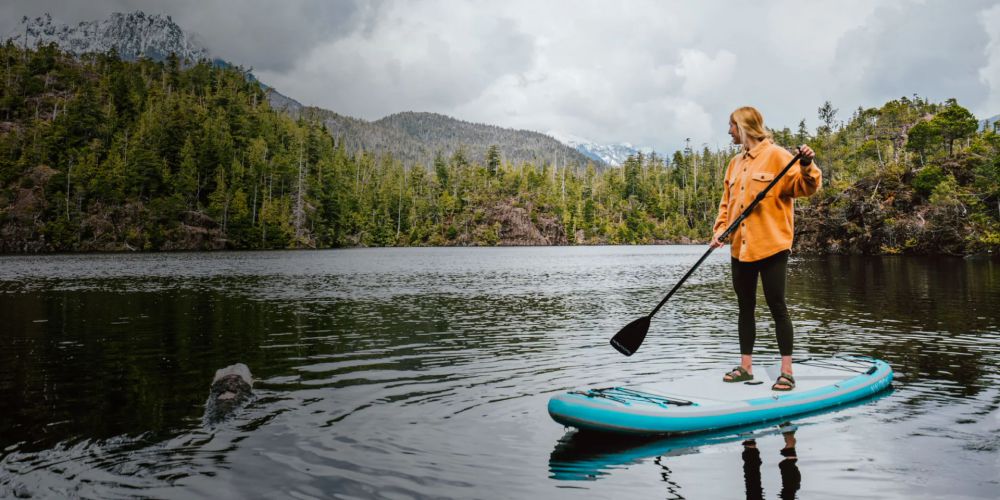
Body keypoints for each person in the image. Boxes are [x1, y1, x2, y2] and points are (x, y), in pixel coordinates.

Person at [710, 106, 821, 391]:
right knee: (744, 308)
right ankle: (745, 367)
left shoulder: (778, 156)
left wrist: (808, 164)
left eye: (731, 126)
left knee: (777, 306)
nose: (729, 131)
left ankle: (787, 371)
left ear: (744, 127)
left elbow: (805, 187)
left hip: (772, 246)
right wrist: (720, 231)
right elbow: (727, 204)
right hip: (740, 248)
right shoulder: (734, 164)